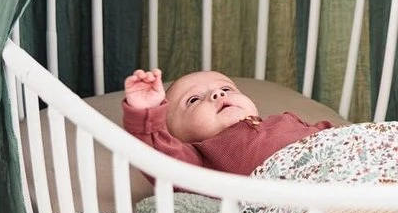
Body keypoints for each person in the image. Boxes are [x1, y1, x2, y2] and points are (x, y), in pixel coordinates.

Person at [122, 68, 334, 174]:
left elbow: (334, 136)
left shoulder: (285, 120)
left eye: (226, 89)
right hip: (306, 197)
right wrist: (146, 111)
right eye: (193, 100)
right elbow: (157, 153)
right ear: (175, 136)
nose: (217, 94)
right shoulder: (199, 159)